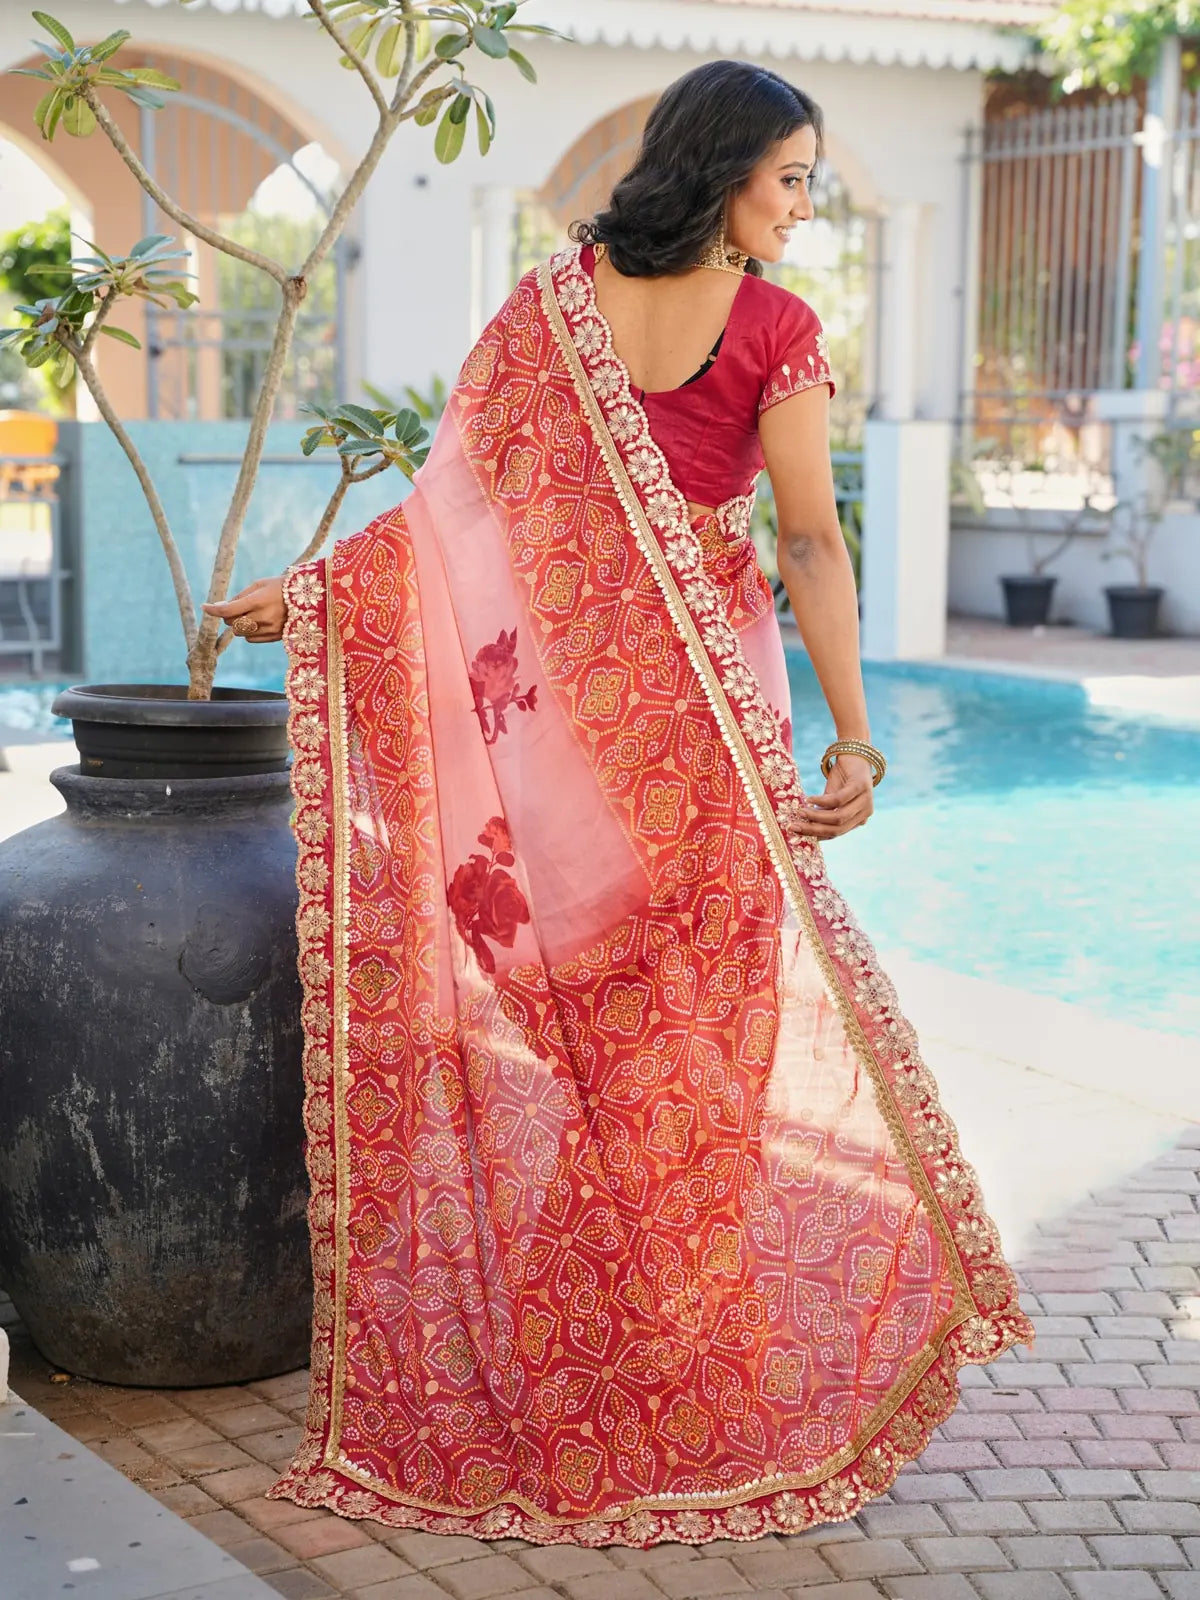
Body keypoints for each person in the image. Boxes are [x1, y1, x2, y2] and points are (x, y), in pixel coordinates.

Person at [203, 60, 1033, 1552]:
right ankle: (666, 1359)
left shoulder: (547, 312)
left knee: (597, 1035)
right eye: (790, 176)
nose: (803, 201)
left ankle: (592, 1350)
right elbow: (808, 545)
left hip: (573, 747)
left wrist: (314, 597)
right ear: (724, 176)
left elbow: (449, 512)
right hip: (711, 739)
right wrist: (855, 739)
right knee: (702, 1047)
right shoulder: (774, 329)